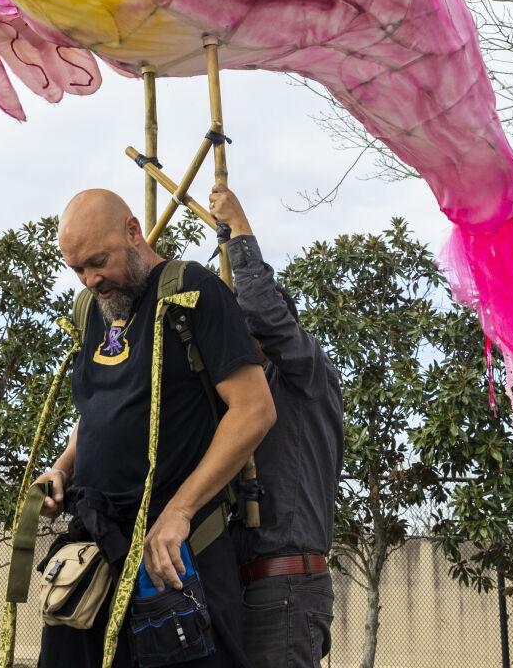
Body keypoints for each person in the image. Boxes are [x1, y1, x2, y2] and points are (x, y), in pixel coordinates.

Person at [36, 189, 276, 668]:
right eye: (78, 269)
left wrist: (180, 511)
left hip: (175, 556)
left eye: (98, 262)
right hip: (93, 555)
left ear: (132, 231)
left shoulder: (194, 292)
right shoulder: (93, 311)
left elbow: (254, 409)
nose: (90, 279)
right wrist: (63, 468)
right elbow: (100, 409)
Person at [207, 186, 340, 668]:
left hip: (285, 588)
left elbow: (264, 313)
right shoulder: (241, 398)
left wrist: (238, 229)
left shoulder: (303, 374)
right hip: (243, 587)